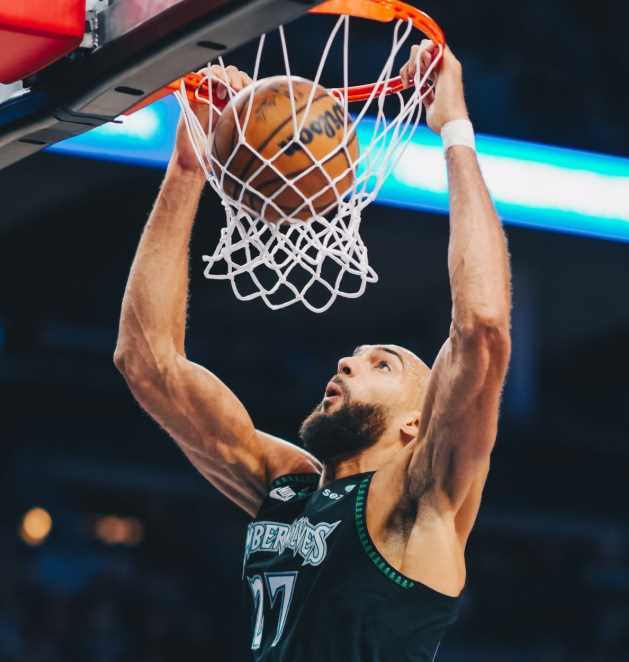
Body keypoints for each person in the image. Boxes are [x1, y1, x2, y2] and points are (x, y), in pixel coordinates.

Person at [114, 40, 511, 662]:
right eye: (356, 355)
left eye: (383, 364)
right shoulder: (287, 487)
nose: (347, 363)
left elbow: (482, 327)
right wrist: (190, 164)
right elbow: (147, 362)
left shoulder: (420, 498)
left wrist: (455, 129)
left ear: (416, 423)